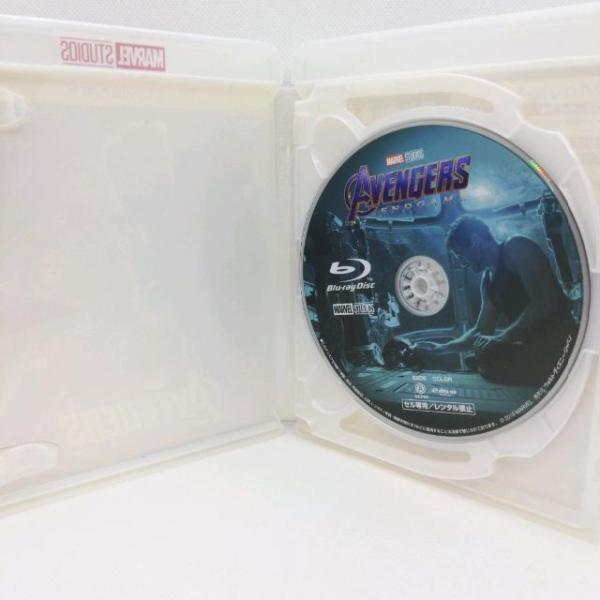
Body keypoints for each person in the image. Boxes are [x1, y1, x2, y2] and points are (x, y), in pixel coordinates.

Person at [415, 214, 577, 385]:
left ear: (475, 241)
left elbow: (546, 302)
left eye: (461, 255)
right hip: (532, 349)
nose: (463, 264)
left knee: (487, 357)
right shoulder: (488, 280)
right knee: (483, 354)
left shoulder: (516, 248)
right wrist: (441, 349)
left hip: (562, 346)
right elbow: (481, 329)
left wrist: (502, 338)